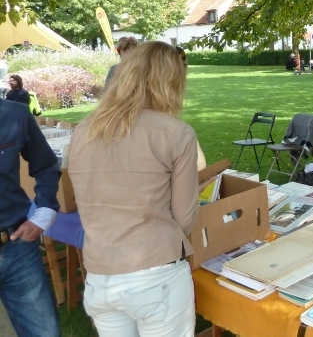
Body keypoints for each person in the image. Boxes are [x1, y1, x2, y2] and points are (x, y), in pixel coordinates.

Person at [68, 41, 210, 336]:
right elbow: (184, 219)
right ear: (171, 81)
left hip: (99, 272)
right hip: (154, 274)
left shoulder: (83, 130)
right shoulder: (174, 133)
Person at [0, 98, 61, 337]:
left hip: (16, 248)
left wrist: (43, 214)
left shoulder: (13, 114)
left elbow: (46, 165)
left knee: (45, 333)